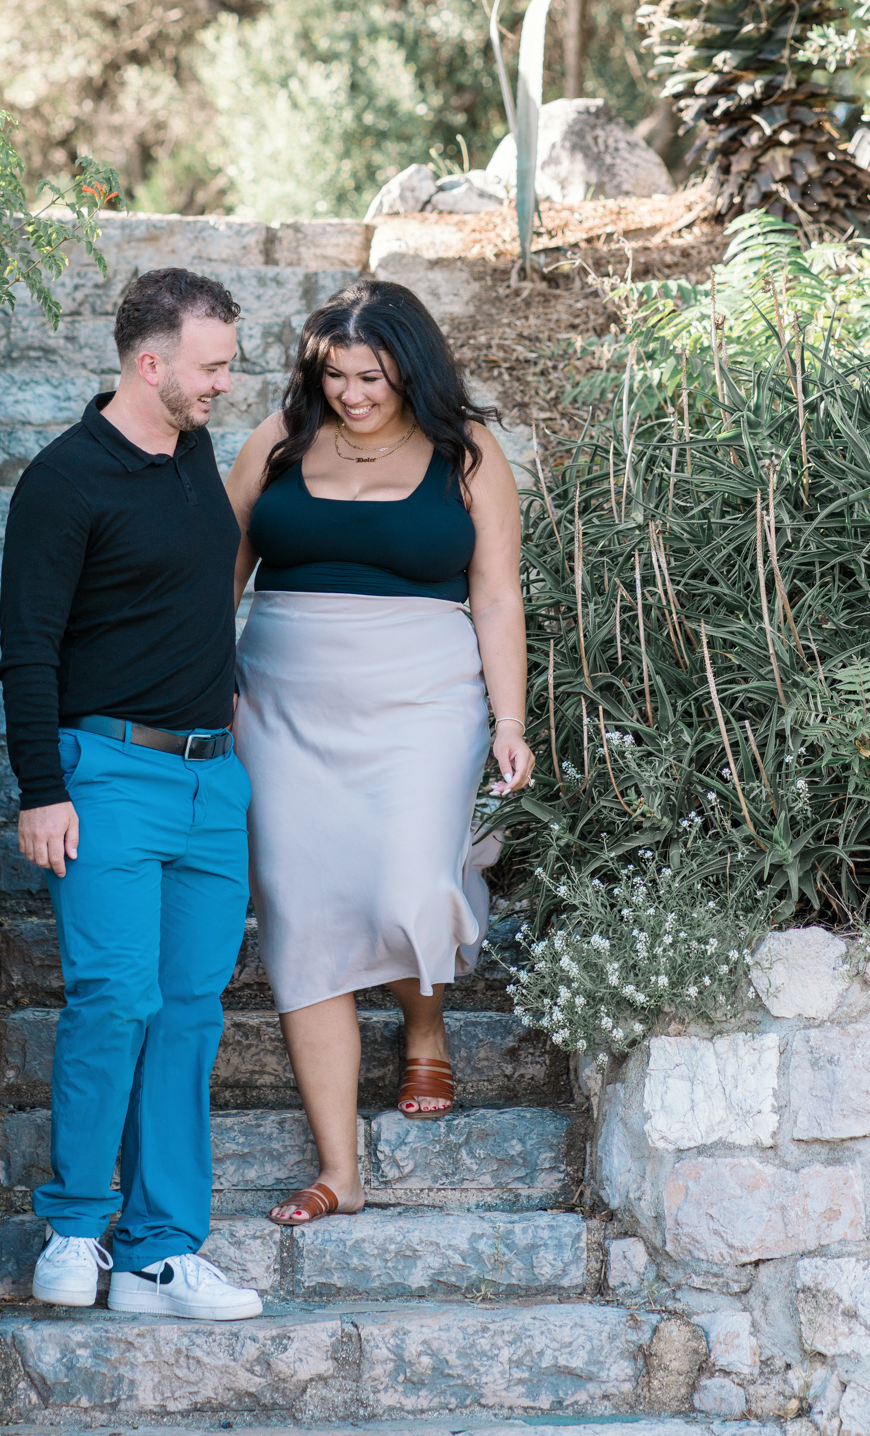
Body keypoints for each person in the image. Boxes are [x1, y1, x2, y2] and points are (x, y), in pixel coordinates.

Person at [225, 276, 535, 1228]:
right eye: (334, 376)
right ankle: (338, 1168)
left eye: (371, 375)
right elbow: (213, 572)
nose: (352, 394)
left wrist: (510, 720)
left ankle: (425, 1020)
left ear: (412, 367)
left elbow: (494, 595)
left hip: (424, 702)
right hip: (281, 707)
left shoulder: (468, 452)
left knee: (407, 886)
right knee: (303, 915)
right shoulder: (277, 443)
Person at [0, 265, 263, 1320]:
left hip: (211, 784)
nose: (223, 386)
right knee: (115, 999)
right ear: (149, 364)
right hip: (103, 776)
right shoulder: (64, 481)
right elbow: (29, 649)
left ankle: (159, 1249)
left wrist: (225, 687)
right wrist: (41, 788)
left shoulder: (195, 452)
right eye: (210, 366)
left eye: (230, 366)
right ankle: (73, 1229)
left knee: (193, 1012)